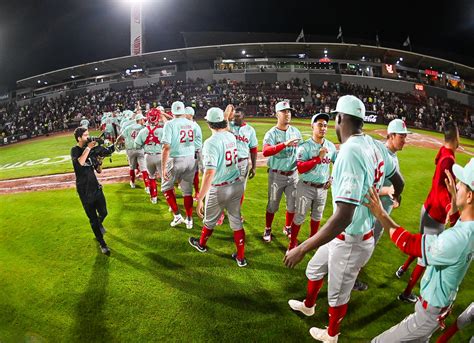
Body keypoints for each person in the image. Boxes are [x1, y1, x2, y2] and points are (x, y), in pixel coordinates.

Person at [284, 95, 404, 342]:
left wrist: (302, 247)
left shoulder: (350, 151)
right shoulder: (374, 144)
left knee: (337, 295)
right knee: (315, 269)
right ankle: (309, 306)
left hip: (351, 238)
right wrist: (395, 195)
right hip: (351, 233)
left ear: (339, 119)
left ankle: (332, 335)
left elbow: (343, 217)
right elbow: (398, 180)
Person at [365, 159, 473, 342]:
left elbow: (408, 243)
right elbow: (461, 227)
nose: (456, 185)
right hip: (439, 308)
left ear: (469, 196)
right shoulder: (468, 229)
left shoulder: (455, 239)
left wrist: (381, 213)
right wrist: (455, 205)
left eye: (461, 184)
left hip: (428, 315)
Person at [396, 121, 460, 303]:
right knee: (425, 257)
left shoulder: (444, 153)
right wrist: (450, 208)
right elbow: (441, 189)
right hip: (436, 213)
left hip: (428, 206)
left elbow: (436, 164)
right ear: (456, 136)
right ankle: (406, 293)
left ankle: (402, 268)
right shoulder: (449, 159)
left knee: (421, 241)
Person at [353, 118, 411, 291]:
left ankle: (351, 274)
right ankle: (351, 278)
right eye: (401, 136)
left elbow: (394, 186)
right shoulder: (380, 155)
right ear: (391, 136)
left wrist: (396, 197)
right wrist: (387, 191)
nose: (404, 140)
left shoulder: (392, 156)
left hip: (382, 212)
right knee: (362, 246)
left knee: (365, 246)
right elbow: (366, 186)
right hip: (372, 213)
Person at [188, 107, 247, 267]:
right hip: (236, 184)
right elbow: (225, 128)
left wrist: (200, 198)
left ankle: (201, 244)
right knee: (236, 221)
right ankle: (241, 257)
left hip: (219, 188)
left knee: (209, 221)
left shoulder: (210, 143)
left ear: (209, 123)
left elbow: (209, 174)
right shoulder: (231, 136)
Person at [288, 113, 337, 251]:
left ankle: (312, 243)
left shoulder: (331, 147)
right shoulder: (305, 146)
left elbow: (338, 164)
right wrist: (317, 158)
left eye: (325, 125)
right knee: (299, 217)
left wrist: (332, 178)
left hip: (322, 189)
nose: (323, 128)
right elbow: (301, 168)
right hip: (306, 187)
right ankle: (292, 243)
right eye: (320, 125)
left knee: (317, 217)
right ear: (312, 126)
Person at [262, 100, 302, 242]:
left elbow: (301, 153)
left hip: (293, 175)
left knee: (293, 205)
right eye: (284, 111)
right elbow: (266, 151)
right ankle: (267, 228)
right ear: (276, 114)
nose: (287, 114)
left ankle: (288, 227)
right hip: (276, 176)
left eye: (289, 111)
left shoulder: (295, 132)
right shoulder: (271, 133)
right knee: (272, 204)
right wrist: (284, 144)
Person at [71, 127, 113, 255]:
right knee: (93, 219)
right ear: (79, 138)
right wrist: (89, 148)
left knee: (104, 212)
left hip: (96, 188)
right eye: (85, 135)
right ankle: (102, 243)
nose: (88, 137)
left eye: (88, 134)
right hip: (85, 191)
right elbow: (80, 163)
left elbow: (99, 170)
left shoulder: (92, 151)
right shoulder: (75, 150)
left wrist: (99, 161)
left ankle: (98, 226)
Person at [216, 106, 258, 225]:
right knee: (223, 187)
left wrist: (254, 167)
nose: (235, 114)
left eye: (238, 112)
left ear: (243, 115)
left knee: (239, 191)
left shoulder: (250, 130)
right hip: (228, 162)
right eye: (235, 112)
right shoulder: (228, 126)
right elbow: (222, 123)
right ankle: (221, 213)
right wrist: (227, 111)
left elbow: (253, 149)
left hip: (243, 163)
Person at [161, 101, 196, 229]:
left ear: (172, 111)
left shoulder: (169, 124)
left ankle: (177, 216)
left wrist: (164, 167)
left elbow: (166, 147)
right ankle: (190, 219)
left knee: (166, 188)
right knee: (187, 192)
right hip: (191, 159)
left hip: (176, 159)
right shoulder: (192, 123)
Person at [134, 108, 165, 204]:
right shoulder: (162, 131)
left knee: (151, 177)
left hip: (148, 157)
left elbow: (136, 145)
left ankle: (154, 198)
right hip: (160, 156)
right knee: (165, 178)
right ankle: (169, 199)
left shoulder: (143, 131)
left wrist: (145, 145)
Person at [120, 113, 149, 191]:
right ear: (139, 120)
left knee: (132, 167)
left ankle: (132, 183)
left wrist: (117, 142)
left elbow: (121, 136)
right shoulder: (143, 128)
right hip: (140, 149)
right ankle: (147, 187)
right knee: (143, 168)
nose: (144, 120)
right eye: (142, 119)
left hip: (130, 149)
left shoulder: (128, 127)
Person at [184, 106, 203, 200]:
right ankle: (197, 192)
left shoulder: (193, 126)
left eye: (185, 113)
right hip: (193, 151)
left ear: (190, 115)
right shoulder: (191, 124)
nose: (183, 115)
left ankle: (198, 192)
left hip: (197, 152)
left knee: (198, 173)